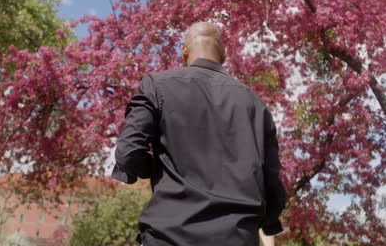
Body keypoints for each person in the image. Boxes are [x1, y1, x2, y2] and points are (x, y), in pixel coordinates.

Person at [111, 22, 286, 246]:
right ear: (225, 53)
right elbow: (272, 183)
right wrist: (267, 222)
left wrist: (158, 169)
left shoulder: (156, 85)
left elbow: (128, 154)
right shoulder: (255, 103)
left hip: (168, 235)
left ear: (184, 50)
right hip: (236, 237)